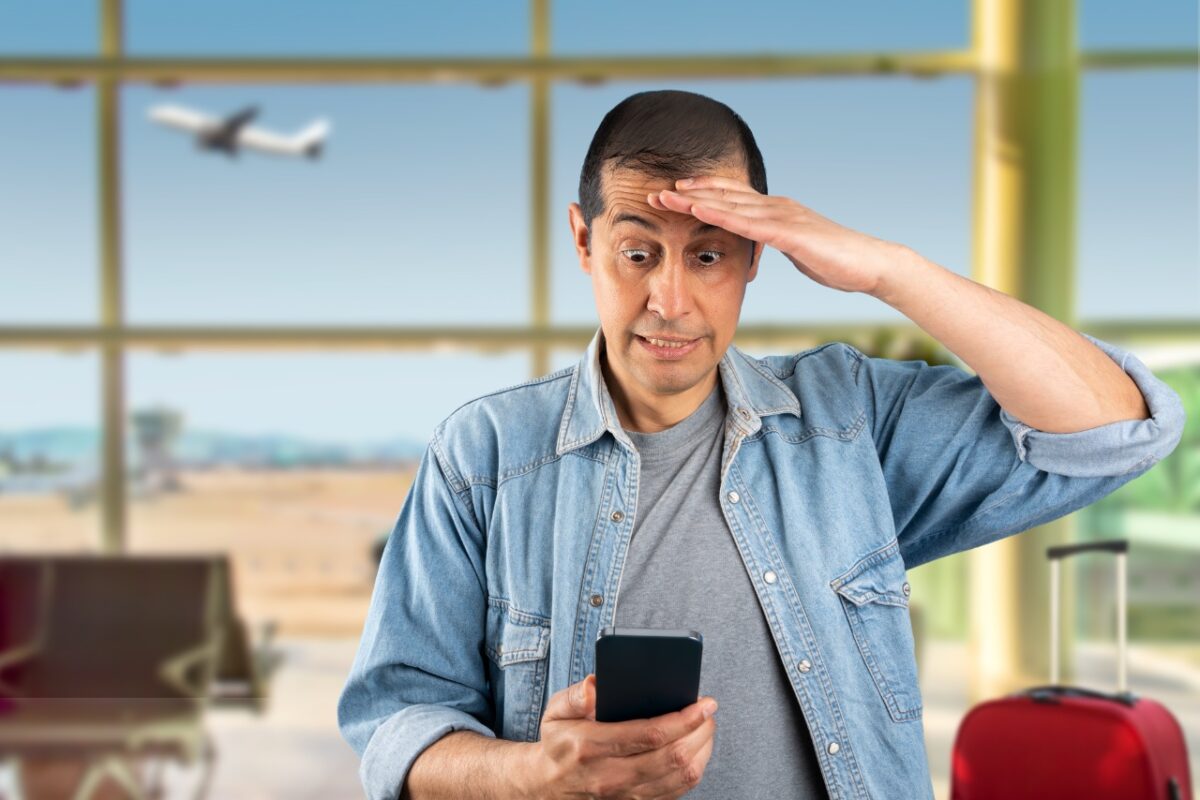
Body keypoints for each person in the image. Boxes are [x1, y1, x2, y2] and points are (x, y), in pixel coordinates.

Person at [337, 89, 1185, 799]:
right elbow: (398, 722)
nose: (670, 301)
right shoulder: (482, 456)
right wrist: (532, 774)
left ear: (756, 257)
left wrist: (887, 269)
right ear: (583, 239)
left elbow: (1114, 430)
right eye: (638, 252)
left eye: (709, 255)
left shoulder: (848, 423)